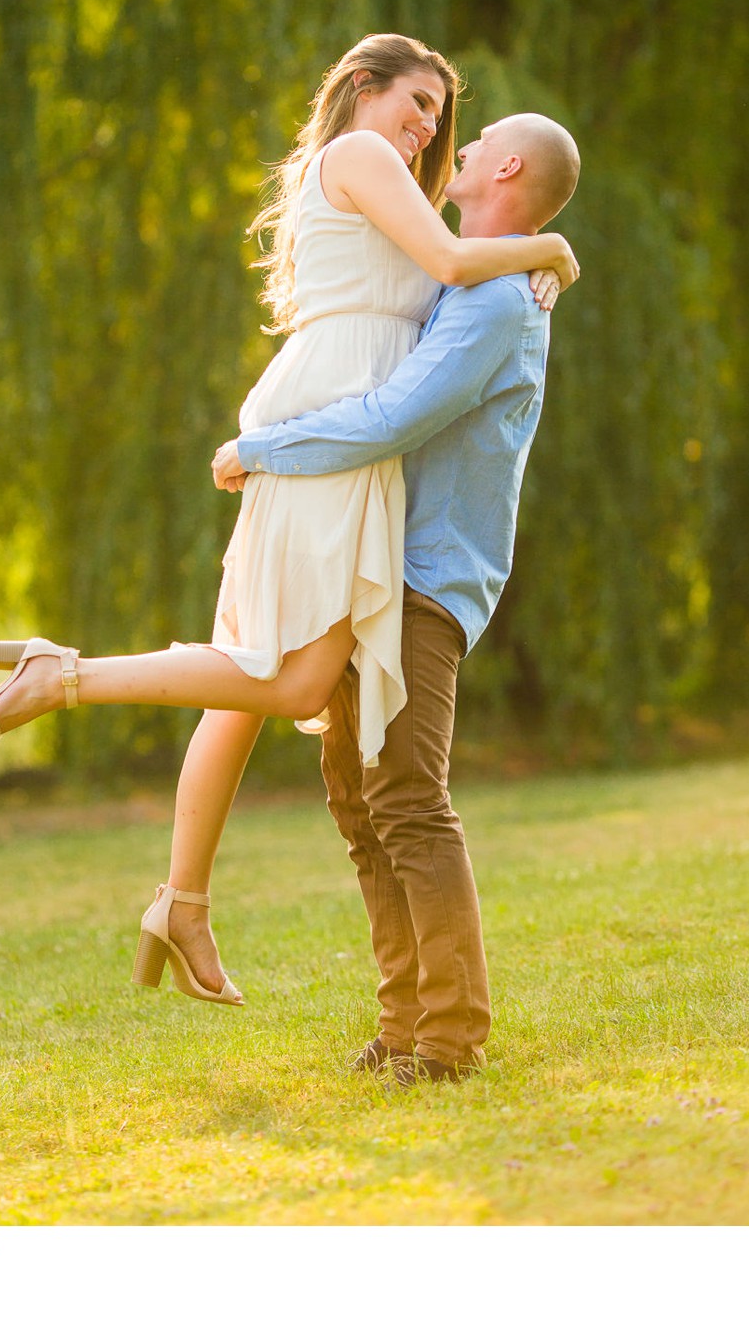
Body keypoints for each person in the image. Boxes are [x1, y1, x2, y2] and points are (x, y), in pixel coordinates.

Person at [0, 35, 578, 1009]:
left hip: (344, 436)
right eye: (417, 100)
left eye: (443, 117)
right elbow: (458, 262)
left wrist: (530, 259)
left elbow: (453, 274)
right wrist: (550, 246)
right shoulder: (366, 158)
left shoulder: (395, 192)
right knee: (284, 677)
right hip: (334, 427)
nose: (431, 128)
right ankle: (70, 678)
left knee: (260, 675)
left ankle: (183, 893)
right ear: (361, 85)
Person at [210, 108, 581, 1082]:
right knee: (358, 797)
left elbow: (393, 416)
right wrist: (556, 250)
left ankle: (451, 1036)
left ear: (504, 164)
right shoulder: (477, 275)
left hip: (425, 577)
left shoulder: (499, 302)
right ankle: (403, 1021)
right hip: (374, 562)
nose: (452, 146)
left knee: (408, 794)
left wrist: (263, 448)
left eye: (474, 138)